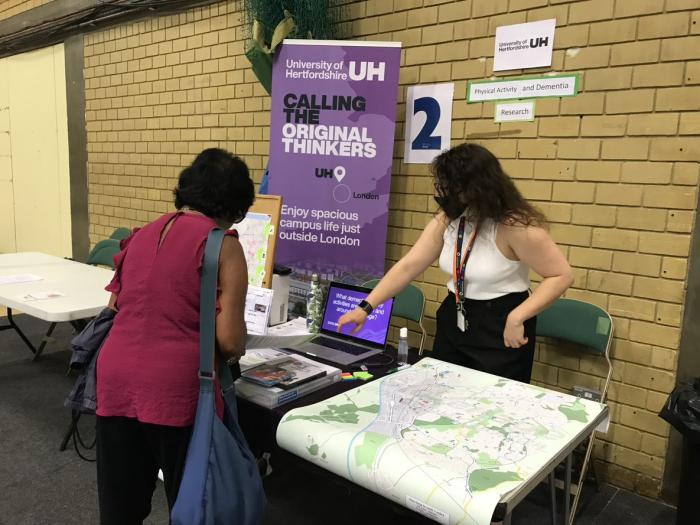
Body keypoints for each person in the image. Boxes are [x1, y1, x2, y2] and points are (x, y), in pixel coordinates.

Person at [95, 148, 254, 524]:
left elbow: (116, 306)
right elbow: (230, 341)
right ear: (234, 205)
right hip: (177, 393)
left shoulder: (141, 235)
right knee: (192, 501)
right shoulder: (223, 245)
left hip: (115, 380)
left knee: (122, 506)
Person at [338, 143, 574, 384]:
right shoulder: (450, 219)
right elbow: (409, 265)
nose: (451, 194)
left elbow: (561, 276)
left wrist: (518, 317)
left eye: (457, 187)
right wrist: (365, 307)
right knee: (443, 390)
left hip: (501, 321)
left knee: (493, 403)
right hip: (455, 313)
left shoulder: (517, 226)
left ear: (480, 186)